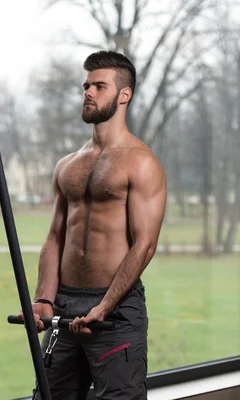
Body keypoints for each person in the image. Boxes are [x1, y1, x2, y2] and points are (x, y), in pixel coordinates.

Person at [18, 50, 167, 400]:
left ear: (123, 95)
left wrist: (105, 305)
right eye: (86, 85)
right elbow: (55, 236)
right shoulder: (68, 165)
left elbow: (144, 244)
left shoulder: (141, 163)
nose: (88, 92)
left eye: (99, 86)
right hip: (65, 307)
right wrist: (43, 297)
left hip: (115, 310)